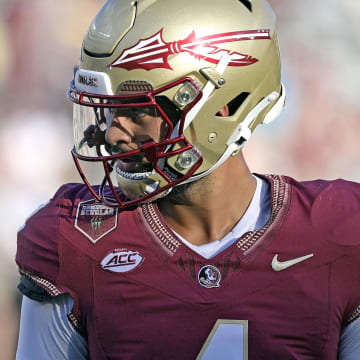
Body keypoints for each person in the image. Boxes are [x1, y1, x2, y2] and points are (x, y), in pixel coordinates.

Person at [15, 0, 360, 359]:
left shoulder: (341, 234)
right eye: (111, 109)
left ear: (224, 107)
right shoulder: (76, 236)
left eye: (139, 109)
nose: (115, 134)